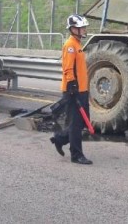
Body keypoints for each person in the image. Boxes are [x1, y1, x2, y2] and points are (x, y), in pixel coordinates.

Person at [50, 14, 93, 165]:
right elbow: (67, 68)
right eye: (82, 28)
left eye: (84, 27)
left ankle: (60, 139)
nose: (84, 30)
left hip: (81, 89)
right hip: (73, 89)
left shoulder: (78, 44)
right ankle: (76, 155)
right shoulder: (70, 45)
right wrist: (72, 86)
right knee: (75, 123)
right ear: (74, 29)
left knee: (82, 122)